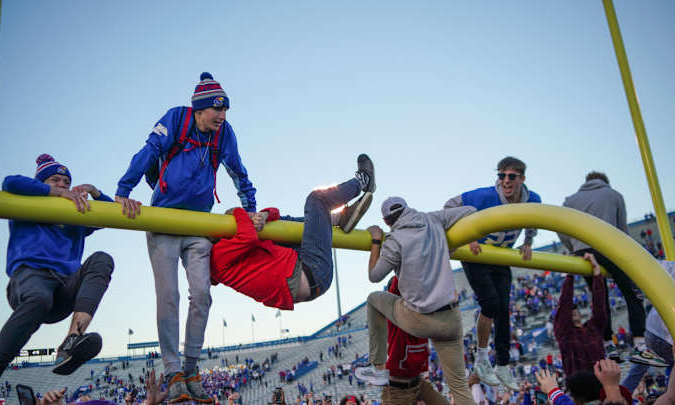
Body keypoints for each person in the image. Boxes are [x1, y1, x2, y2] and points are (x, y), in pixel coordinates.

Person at [115, 73, 257, 403]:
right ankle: (173, 370)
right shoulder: (176, 119)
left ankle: (191, 369)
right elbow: (149, 152)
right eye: (216, 111)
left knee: (203, 295)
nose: (222, 117)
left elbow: (238, 170)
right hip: (164, 220)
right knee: (169, 297)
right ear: (200, 108)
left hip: (197, 224)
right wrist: (123, 190)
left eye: (225, 111)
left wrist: (250, 207)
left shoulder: (224, 134)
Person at [0, 154, 115, 405]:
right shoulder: (29, 200)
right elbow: (10, 182)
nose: (62, 185)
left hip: (64, 286)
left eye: (67, 182)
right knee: (38, 299)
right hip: (30, 278)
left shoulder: (75, 213)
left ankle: (70, 341)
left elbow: (111, 213)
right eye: (55, 179)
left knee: (102, 258)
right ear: (43, 183)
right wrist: (55, 193)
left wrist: (93, 190)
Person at [210, 154, 375, 309]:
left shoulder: (235, 251)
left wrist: (265, 215)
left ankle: (340, 219)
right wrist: (236, 212)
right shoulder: (217, 258)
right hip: (312, 270)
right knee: (316, 200)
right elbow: (248, 236)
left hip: (306, 269)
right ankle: (363, 182)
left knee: (287, 224)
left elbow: (277, 218)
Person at [355, 197, 477, 405]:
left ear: (386, 221)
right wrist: (457, 241)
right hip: (451, 318)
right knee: (459, 387)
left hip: (420, 318)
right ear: (407, 208)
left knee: (374, 299)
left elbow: (375, 275)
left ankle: (377, 367)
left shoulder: (395, 239)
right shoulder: (434, 219)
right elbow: (472, 210)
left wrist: (377, 241)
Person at [444, 156, 541, 390]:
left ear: (522, 179)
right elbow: (449, 206)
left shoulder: (533, 199)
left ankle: (503, 365)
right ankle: (481, 359)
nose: (505, 181)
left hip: (500, 256)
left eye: (511, 176)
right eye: (501, 175)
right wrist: (468, 235)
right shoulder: (485, 195)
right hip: (476, 255)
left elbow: (536, 220)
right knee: (490, 304)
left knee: (503, 310)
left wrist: (528, 241)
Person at [558, 171, 667, 367]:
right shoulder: (613, 194)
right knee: (633, 293)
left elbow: (560, 228)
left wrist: (574, 247)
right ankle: (640, 344)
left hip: (581, 252)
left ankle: (608, 344)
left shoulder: (569, 200)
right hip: (609, 248)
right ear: (604, 182)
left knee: (600, 297)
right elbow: (622, 231)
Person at [379, 276, 447, 405]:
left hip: (419, 384)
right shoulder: (395, 320)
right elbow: (398, 284)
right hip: (397, 390)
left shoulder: (422, 316)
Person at [622, 260, 674, 392]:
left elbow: (646, 265)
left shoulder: (670, 266)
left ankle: (620, 396)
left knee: (636, 370)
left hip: (652, 332)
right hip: (668, 336)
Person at [553, 253, 607, 378]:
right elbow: (565, 303)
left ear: (580, 313)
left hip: (602, 385)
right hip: (580, 390)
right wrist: (570, 274)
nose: (572, 311)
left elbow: (600, 305)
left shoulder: (594, 328)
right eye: (570, 310)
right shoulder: (564, 333)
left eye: (575, 309)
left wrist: (597, 273)